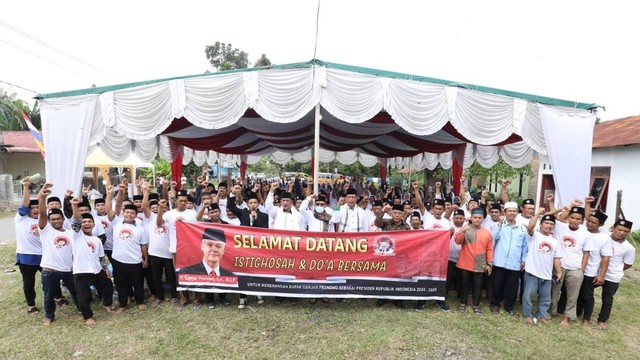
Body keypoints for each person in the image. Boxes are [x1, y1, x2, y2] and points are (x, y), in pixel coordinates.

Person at [37, 183, 79, 326]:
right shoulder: (45, 230)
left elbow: (77, 221)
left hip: (68, 269)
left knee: (75, 291)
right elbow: (42, 213)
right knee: (48, 296)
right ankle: (49, 316)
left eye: (58, 219)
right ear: (49, 221)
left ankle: (81, 309)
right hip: (49, 270)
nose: (56, 221)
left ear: (63, 219)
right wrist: (42, 196)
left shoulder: (69, 233)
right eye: (53, 219)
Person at [105, 184, 149, 314]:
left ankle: (140, 302)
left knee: (138, 283)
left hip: (135, 260)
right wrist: (110, 195)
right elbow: (109, 208)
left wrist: (145, 259)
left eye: (132, 213)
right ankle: (123, 304)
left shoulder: (140, 227)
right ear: (123, 213)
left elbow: (143, 245)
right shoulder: (117, 222)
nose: (129, 214)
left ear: (136, 215)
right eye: (127, 212)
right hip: (118, 260)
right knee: (120, 284)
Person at [70, 199, 114, 326]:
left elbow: (101, 257)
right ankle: (88, 316)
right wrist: (74, 205)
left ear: (94, 225)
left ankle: (107, 304)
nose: (87, 223)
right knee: (83, 296)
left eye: (89, 221)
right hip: (81, 272)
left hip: (97, 270)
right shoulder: (76, 236)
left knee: (108, 286)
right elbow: (77, 221)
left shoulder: (96, 240)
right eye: (84, 222)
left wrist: (105, 269)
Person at [227, 189, 269, 308]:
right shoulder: (242, 213)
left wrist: (255, 219)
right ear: (247, 204)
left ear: (258, 204)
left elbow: (264, 229)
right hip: (244, 249)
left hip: (257, 249)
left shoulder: (264, 216)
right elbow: (230, 205)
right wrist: (233, 193)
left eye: (255, 203)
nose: (253, 205)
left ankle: (257, 293)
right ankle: (243, 297)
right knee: (243, 272)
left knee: (257, 271)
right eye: (250, 203)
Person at [549, 202, 588, 326]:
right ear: (568, 217)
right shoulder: (560, 227)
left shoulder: (585, 233)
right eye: (572, 217)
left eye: (578, 219)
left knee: (573, 295)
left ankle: (567, 317)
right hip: (558, 266)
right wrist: (564, 208)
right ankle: (551, 311)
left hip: (575, 268)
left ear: (582, 221)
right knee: (554, 291)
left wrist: (582, 269)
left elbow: (586, 253)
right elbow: (549, 215)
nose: (574, 221)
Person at [140, 183, 178, 307]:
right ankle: (159, 296)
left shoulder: (172, 216)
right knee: (156, 276)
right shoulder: (151, 218)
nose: (158, 208)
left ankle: (174, 296)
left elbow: (170, 199)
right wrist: (146, 191)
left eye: (162, 206)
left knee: (171, 276)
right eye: (155, 207)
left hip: (169, 253)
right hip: (154, 252)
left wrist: (167, 188)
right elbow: (144, 206)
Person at [523, 209, 563, 324]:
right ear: (540, 225)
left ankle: (541, 315)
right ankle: (527, 315)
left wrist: (559, 272)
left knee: (546, 298)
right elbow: (530, 227)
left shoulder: (554, 242)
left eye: (551, 224)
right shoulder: (534, 236)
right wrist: (537, 214)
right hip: (532, 272)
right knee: (528, 295)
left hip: (546, 274)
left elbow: (556, 258)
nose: (549, 226)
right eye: (546, 223)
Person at [595, 219, 635, 330]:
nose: (622, 232)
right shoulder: (604, 235)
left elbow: (628, 264)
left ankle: (602, 320)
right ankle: (580, 311)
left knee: (607, 300)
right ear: (613, 228)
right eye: (619, 229)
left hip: (612, 277)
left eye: (625, 231)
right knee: (585, 291)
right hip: (597, 273)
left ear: (629, 232)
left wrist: (616, 269)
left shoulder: (629, 248)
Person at [490, 202, 527, 316]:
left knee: (512, 287)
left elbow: (525, 246)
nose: (512, 213)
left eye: (514, 211)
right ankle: (495, 304)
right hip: (500, 261)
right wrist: (500, 225)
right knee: (497, 284)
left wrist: (523, 259)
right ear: (504, 212)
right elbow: (494, 237)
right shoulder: (499, 225)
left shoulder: (522, 228)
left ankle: (509, 306)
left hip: (514, 262)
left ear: (517, 213)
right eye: (509, 211)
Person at [454, 208, 494, 315]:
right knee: (464, 285)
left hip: (480, 264)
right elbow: (457, 241)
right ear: (471, 218)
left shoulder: (486, 233)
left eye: (479, 218)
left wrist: (489, 264)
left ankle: (476, 304)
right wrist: (462, 231)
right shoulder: (466, 229)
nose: (477, 220)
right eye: (475, 217)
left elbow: (489, 249)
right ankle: (463, 303)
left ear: (483, 219)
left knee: (478, 286)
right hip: (465, 263)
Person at [578, 210, 611, 327]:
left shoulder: (604, 238)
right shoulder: (580, 230)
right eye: (589, 221)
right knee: (575, 292)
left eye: (594, 222)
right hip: (576, 267)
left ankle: (586, 319)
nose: (590, 224)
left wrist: (601, 275)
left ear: (601, 225)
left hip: (590, 270)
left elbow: (606, 258)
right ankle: (576, 312)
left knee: (587, 294)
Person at [374, 204, 411, 308]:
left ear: (403, 214)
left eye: (399, 213)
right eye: (395, 213)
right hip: (386, 254)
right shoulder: (386, 222)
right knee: (384, 276)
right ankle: (382, 297)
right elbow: (377, 222)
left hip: (400, 255)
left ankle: (397, 299)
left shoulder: (406, 226)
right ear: (391, 213)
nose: (397, 215)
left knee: (398, 277)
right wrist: (383, 210)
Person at [15, 177, 42, 314]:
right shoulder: (21, 218)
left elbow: (41, 201)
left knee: (52, 279)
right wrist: (26, 186)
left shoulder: (43, 219)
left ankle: (57, 296)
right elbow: (26, 202)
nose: (35, 209)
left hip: (45, 256)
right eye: (32, 208)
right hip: (27, 256)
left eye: (38, 207)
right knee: (29, 282)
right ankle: (31, 304)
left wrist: (43, 192)